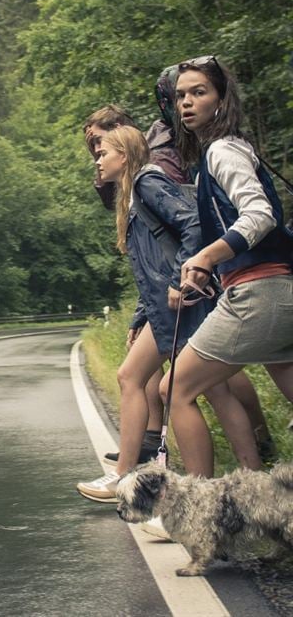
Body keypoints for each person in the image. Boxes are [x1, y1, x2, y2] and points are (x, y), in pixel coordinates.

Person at [83, 99, 275, 469]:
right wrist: (141, 316)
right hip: (165, 306)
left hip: (183, 302)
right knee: (196, 388)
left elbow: (192, 225)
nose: (96, 158)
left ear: (124, 152)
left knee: (186, 388)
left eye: (102, 149)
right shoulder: (132, 194)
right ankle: (248, 470)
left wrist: (178, 282)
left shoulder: (147, 181)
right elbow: (148, 265)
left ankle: (141, 476)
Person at [163, 55, 293, 477]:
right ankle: (263, 497)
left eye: (199, 92)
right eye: (181, 95)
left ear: (221, 101)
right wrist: (207, 267)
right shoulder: (218, 156)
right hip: (278, 290)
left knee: (174, 390)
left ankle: (197, 503)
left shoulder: (222, 150)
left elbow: (258, 215)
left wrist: (205, 256)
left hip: (259, 295)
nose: (186, 102)